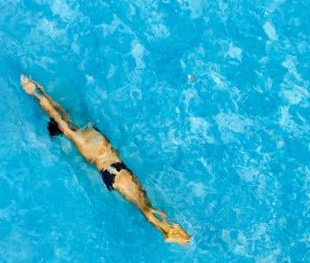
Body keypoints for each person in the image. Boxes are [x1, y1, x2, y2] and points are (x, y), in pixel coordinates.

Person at [21, 75, 192, 245]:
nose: (65, 118)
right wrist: (33, 93)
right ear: (62, 128)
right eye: (62, 123)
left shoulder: (79, 130)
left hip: (116, 170)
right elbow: (54, 114)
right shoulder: (77, 139)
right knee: (144, 206)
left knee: (144, 201)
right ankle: (168, 234)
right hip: (114, 171)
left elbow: (59, 111)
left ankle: (169, 231)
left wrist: (40, 87)